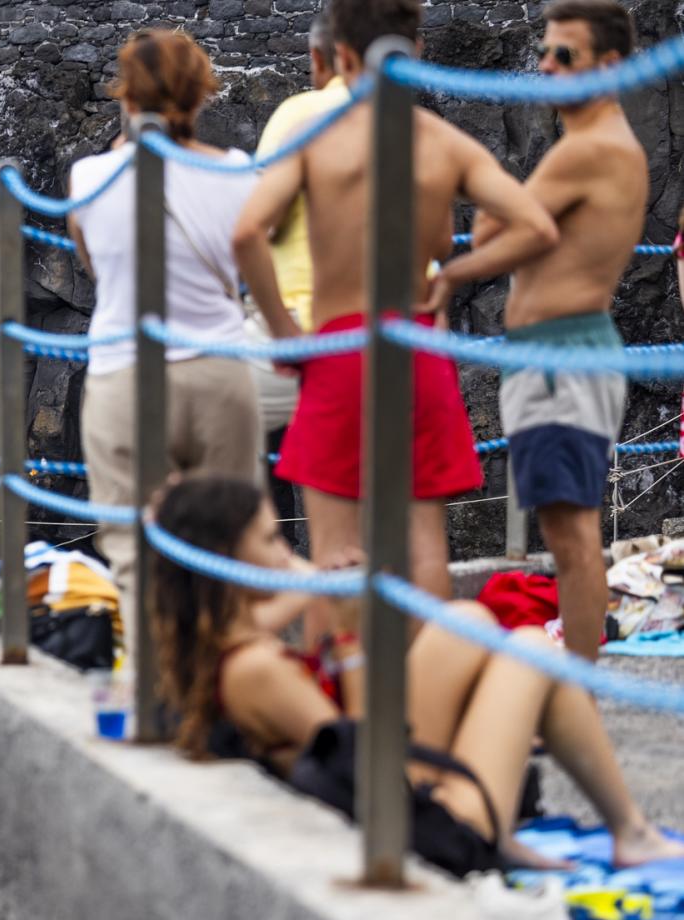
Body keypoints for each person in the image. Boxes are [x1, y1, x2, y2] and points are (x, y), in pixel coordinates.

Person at [148, 475, 684, 873]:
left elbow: (277, 595)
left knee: (466, 620)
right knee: (529, 647)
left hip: (394, 798)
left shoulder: (222, 637)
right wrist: (348, 639)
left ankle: (606, 828)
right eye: (270, 541)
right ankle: (627, 831)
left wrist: (174, 523)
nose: (286, 553)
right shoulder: (258, 669)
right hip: (419, 828)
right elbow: (362, 763)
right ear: (223, 560)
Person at [233, 0, 559, 634]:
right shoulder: (442, 142)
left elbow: (247, 231)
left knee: (332, 554)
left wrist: (285, 334)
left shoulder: (318, 139)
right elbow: (536, 225)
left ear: (342, 57)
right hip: (417, 346)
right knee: (423, 548)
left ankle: (341, 701)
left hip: (337, 346)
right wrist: (454, 277)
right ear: (416, 51)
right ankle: (424, 695)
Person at [66, 28, 263, 669]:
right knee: (227, 550)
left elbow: (96, 269)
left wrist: (132, 135)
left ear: (127, 95)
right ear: (202, 95)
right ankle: (223, 698)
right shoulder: (235, 173)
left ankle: (152, 699)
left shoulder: (89, 178)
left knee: (132, 552)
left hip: (127, 375)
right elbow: (244, 276)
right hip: (218, 372)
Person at [473, 0, 644, 663]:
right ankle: (580, 688)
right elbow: (507, 221)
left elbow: (504, 228)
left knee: (570, 541)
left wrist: (447, 275)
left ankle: (579, 692)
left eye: (563, 55)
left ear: (610, 65)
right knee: (569, 534)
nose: (545, 66)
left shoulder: (590, 151)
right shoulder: (592, 146)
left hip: (560, 361)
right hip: (559, 358)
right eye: (546, 51)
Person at [251, 12, 347, 535]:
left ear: (320, 58)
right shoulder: (413, 123)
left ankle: (258, 576)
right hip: (395, 331)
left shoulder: (301, 114)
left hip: (306, 328)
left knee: (208, 429)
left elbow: (250, 231)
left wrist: (278, 325)